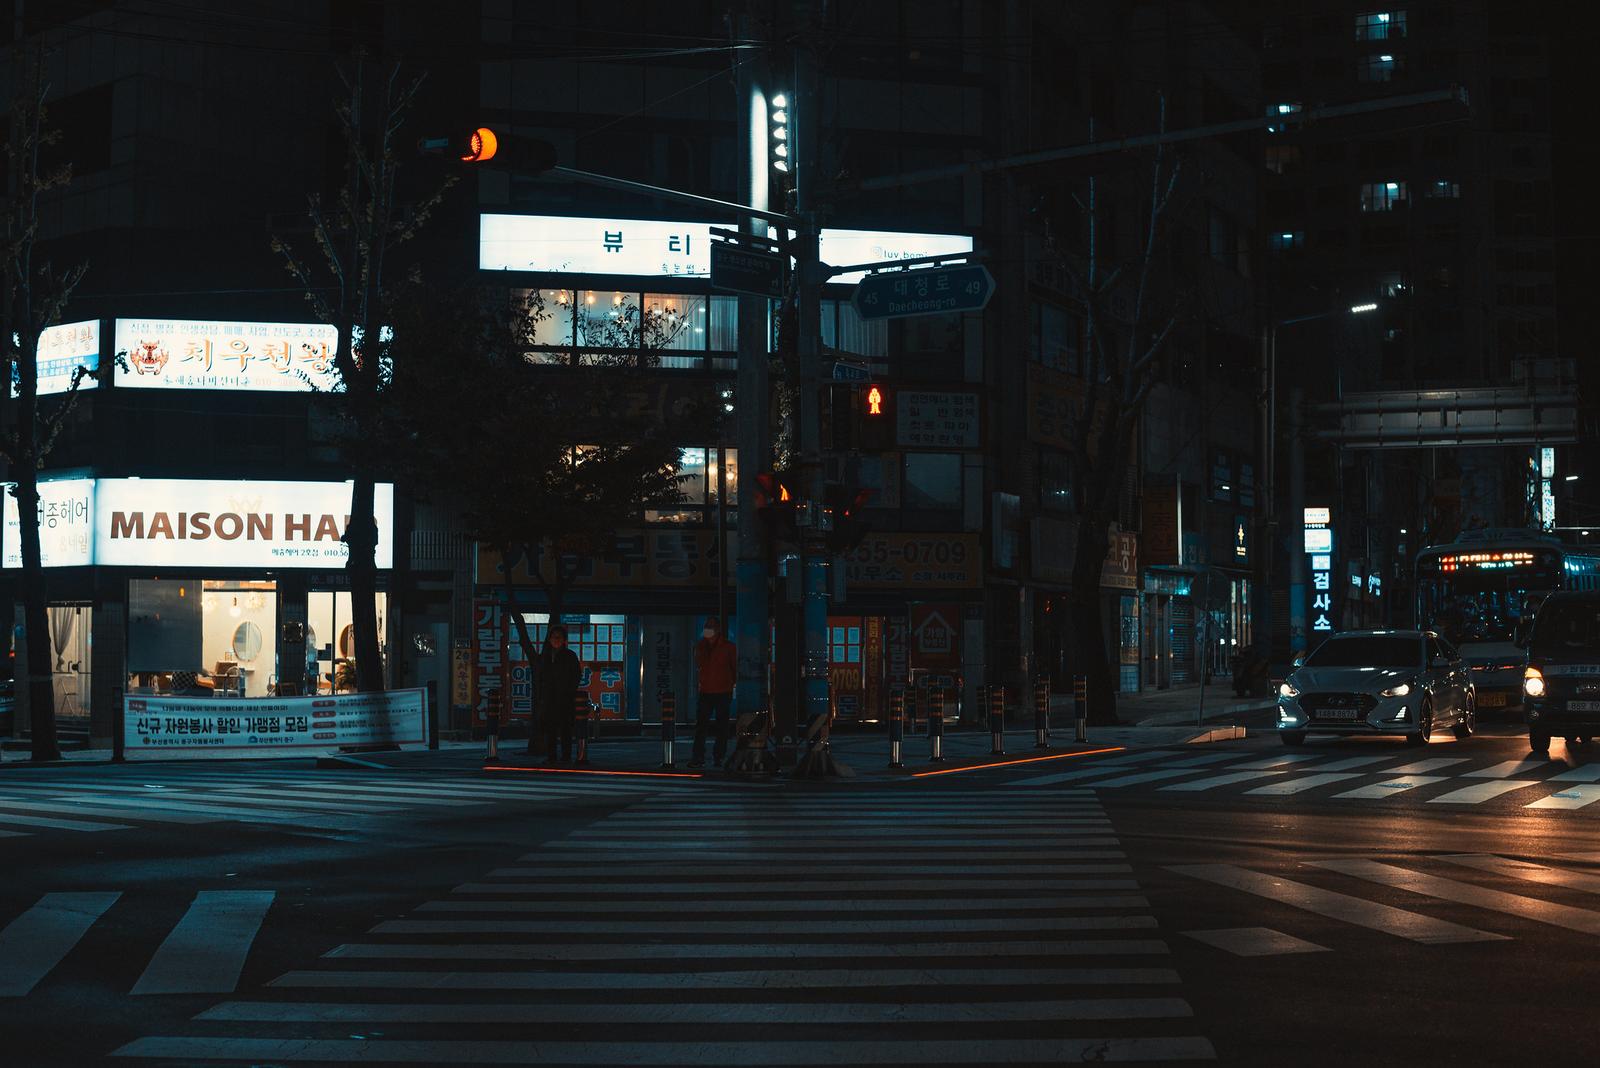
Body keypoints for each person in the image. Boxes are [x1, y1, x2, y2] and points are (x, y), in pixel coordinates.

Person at [689, 617, 737, 768]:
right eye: (706, 626)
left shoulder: (728, 647)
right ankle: (699, 756)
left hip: (723, 691)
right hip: (706, 691)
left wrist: (731, 684)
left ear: (717, 629)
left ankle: (718, 756)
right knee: (701, 726)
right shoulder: (701, 645)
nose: (707, 629)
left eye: (710, 626)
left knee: (721, 726)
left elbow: (734, 667)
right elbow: (699, 663)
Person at [532, 624, 582, 765]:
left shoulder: (569, 656)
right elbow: (540, 677)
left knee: (565, 728)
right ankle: (551, 755)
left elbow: (576, 675)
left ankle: (566, 755)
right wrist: (541, 696)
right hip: (548, 698)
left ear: (564, 640)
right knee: (550, 728)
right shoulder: (545, 656)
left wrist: (569, 691)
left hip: (564, 697)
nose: (556, 640)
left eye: (559, 637)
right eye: (553, 637)